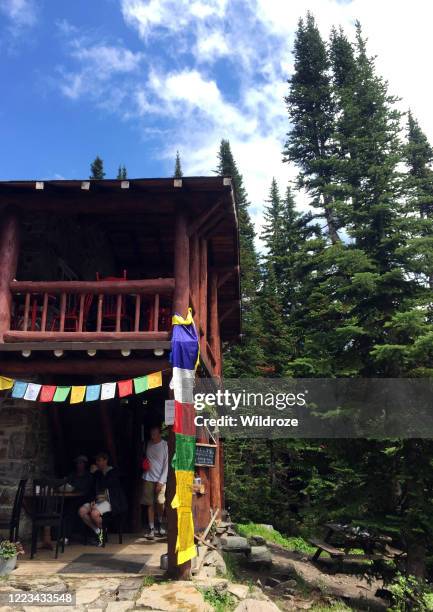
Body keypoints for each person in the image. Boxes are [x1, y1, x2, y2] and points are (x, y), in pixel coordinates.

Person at [78, 452, 127, 546]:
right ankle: (98, 531)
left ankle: (101, 535)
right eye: (96, 461)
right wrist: (92, 500)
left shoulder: (113, 472)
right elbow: (92, 488)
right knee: (82, 511)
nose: (97, 463)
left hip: (110, 501)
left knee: (94, 513)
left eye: (99, 460)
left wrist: (97, 472)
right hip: (97, 500)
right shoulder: (97, 474)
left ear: (105, 461)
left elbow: (106, 483)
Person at [141, 425, 168, 539]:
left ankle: (160, 523)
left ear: (159, 434)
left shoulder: (165, 445)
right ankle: (151, 528)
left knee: (160, 502)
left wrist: (161, 481)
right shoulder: (148, 444)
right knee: (150, 504)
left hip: (160, 478)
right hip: (148, 477)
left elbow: (167, 464)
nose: (152, 436)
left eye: (155, 434)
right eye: (151, 434)